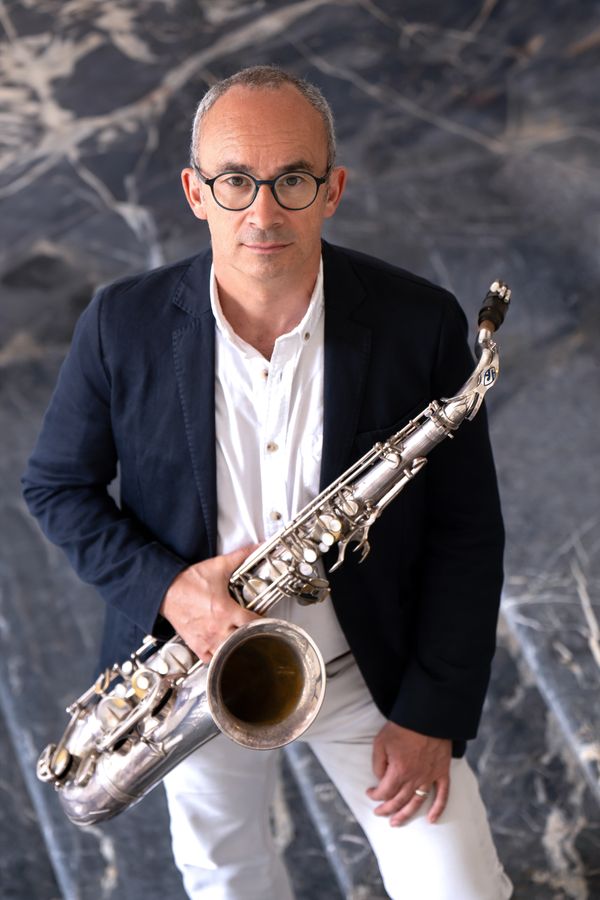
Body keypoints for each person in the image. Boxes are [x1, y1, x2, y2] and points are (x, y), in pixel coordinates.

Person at [22, 65, 513, 899]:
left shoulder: (418, 321)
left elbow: (467, 532)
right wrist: (173, 593)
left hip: (368, 663)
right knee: (228, 879)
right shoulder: (121, 323)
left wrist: (431, 714)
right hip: (195, 667)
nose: (262, 212)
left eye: (291, 179)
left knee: (460, 886)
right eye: (234, 181)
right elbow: (56, 488)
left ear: (333, 190)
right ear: (195, 191)